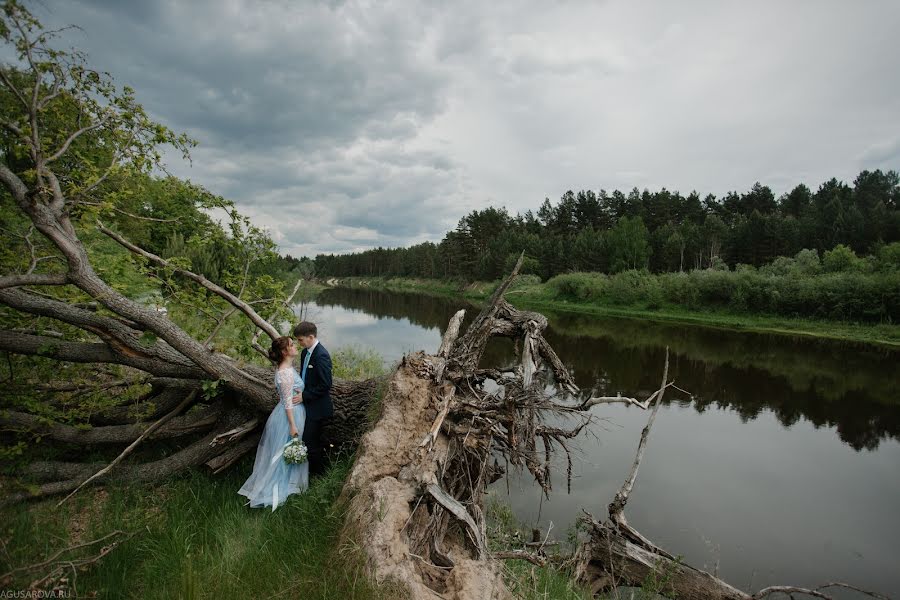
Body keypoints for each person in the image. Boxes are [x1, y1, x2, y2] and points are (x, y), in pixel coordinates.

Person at [238, 336, 309, 510]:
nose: (295, 347)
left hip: (294, 412)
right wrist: (292, 425)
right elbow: (286, 401)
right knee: (282, 452)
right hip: (288, 417)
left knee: (287, 451)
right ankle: (274, 487)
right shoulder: (284, 372)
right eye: (292, 345)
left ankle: (290, 483)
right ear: (285, 352)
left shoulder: (288, 368)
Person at [292, 321, 333, 477]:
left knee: (311, 443)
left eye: (301, 340)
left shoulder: (321, 355)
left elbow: (326, 385)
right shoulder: (305, 353)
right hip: (306, 405)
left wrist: (304, 396)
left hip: (318, 408)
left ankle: (318, 476)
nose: (299, 343)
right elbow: (306, 378)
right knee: (307, 440)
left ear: (311, 337)